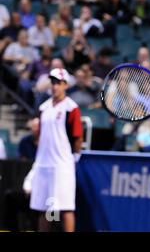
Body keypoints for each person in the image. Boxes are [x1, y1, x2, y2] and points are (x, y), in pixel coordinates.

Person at [30, 68, 83, 232]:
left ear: (65, 85)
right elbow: (38, 139)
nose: (54, 86)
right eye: (53, 83)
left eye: (58, 83)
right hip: (43, 165)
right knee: (45, 208)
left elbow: (78, 137)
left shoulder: (71, 108)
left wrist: (73, 158)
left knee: (66, 208)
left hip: (62, 165)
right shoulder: (43, 108)